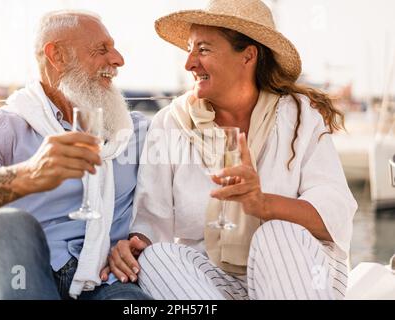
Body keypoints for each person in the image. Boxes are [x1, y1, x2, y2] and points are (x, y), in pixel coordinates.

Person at [107, 0, 358, 300]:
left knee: (277, 234)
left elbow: (335, 216)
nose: (189, 63)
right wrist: (136, 244)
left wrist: (263, 204)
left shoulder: (299, 117)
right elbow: (152, 220)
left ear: (247, 56)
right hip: (211, 283)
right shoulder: (170, 123)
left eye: (203, 49)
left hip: (298, 274)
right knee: (155, 258)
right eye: (189, 49)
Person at [0, 10, 151, 300]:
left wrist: (142, 238)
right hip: (24, 274)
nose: (118, 59)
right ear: (57, 56)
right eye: (101, 49)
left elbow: (182, 186)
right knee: (5, 226)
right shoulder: (4, 127)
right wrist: (23, 177)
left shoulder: (137, 132)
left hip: (108, 282)